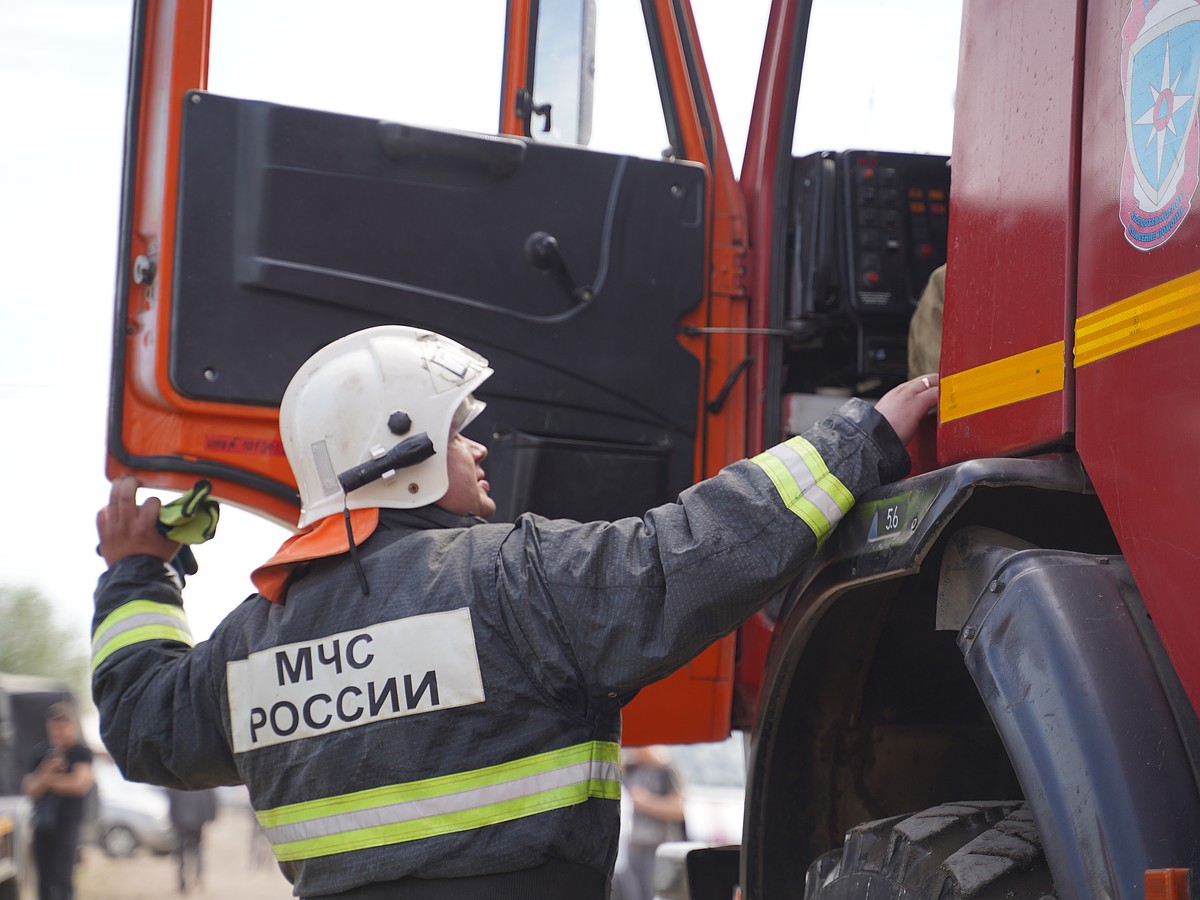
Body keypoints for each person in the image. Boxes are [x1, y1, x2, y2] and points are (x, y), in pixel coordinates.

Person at [92, 326, 939, 899]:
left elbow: (140, 723)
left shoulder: (248, 644)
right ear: (403, 449)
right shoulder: (510, 579)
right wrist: (857, 439)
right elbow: (687, 551)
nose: (478, 447)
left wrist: (137, 572)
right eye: (458, 431)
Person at [21, 702, 94, 900]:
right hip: (42, 825)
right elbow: (29, 788)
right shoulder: (41, 753)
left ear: (72, 726)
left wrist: (46, 780)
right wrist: (47, 772)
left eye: (62, 727)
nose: (58, 733)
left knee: (63, 879)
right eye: (54, 727)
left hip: (67, 824)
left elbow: (79, 784)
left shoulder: (80, 752)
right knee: (43, 881)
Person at [622, 746, 687, 900]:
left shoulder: (667, 770)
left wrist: (647, 802)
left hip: (660, 845)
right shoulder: (632, 768)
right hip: (636, 844)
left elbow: (679, 809)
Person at [167, 787, 217, 893]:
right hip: (196, 820)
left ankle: (185, 882)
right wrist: (209, 817)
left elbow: (171, 798)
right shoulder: (202, 778)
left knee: (183, 853)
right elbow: (210, 798)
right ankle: (197, 880)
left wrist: (172, 819)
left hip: (182, 820)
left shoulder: (179, 778)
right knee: (197, 851)